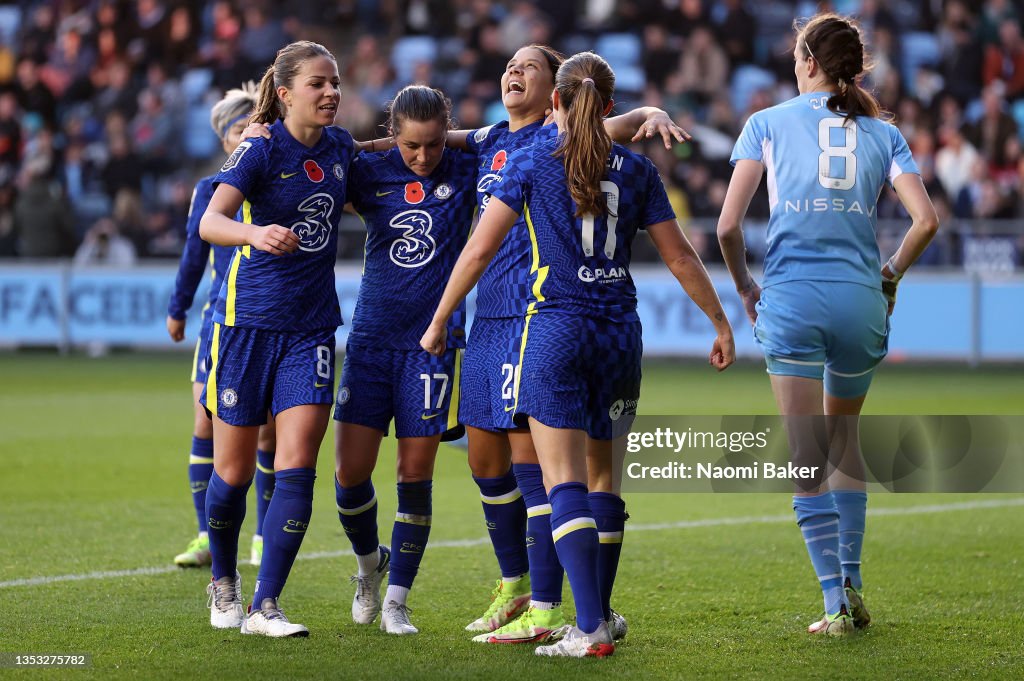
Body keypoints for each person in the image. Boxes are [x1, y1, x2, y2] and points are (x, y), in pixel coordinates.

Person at [422, 51, 734, 658]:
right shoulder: (640, 172)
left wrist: (439, 321)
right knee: (604, 481)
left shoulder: (535, 159)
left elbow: (480, 252)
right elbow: (679, 257)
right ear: (609, 107)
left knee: (560, 480)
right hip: (620, 334)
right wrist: (719, 322)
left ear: (557, 102)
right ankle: (601, 613)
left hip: (557, 331)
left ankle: (586, 626)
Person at [716, 13, 939, 636]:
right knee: (844, 446)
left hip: (790, 297)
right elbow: (926, 222)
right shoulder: (882, 134)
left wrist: (744, 288)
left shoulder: (765, 122)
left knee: (806, 459)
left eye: (795, 54)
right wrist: (889, 276)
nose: (792, 63)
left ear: (809, 60)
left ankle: (834, 603)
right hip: (861, 299)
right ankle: (855, 584)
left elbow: (729, 228)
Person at [198, 40, 355, 638]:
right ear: (286, 92)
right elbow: (212, 221)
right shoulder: (259, 147)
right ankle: (224, 581)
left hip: (310, 328)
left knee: (296, 466)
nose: (331, 92)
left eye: (335, 81)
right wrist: (254, 233)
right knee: (232, 473)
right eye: (318, 83)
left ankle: (267, 605)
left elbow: (394, 156)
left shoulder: (341, 148)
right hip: (246, 326)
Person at [334, 85, 478, 636]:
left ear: (448, 133)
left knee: (413, 474)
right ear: (393, 134)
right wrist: (368, 148)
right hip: (370, 340)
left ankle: (397, 600)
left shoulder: (464, 168)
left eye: (434, 144)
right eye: (412, 146)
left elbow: (528, 141)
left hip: (432, 346)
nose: (422, 157)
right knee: (350, 476)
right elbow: (318, 164)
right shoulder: (369, 173)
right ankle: (370, 566)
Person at [165, 82, 277, 570]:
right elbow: (194, 253)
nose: (247, 132)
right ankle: (206, 534)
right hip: (218, 323)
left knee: (268, 434)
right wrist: (178, 307)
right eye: (238, 128)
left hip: (264, 319)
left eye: (253, 123)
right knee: (205, 424)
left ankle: (262, 536)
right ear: (223, 138)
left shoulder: (275, 177)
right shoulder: (211, 191)